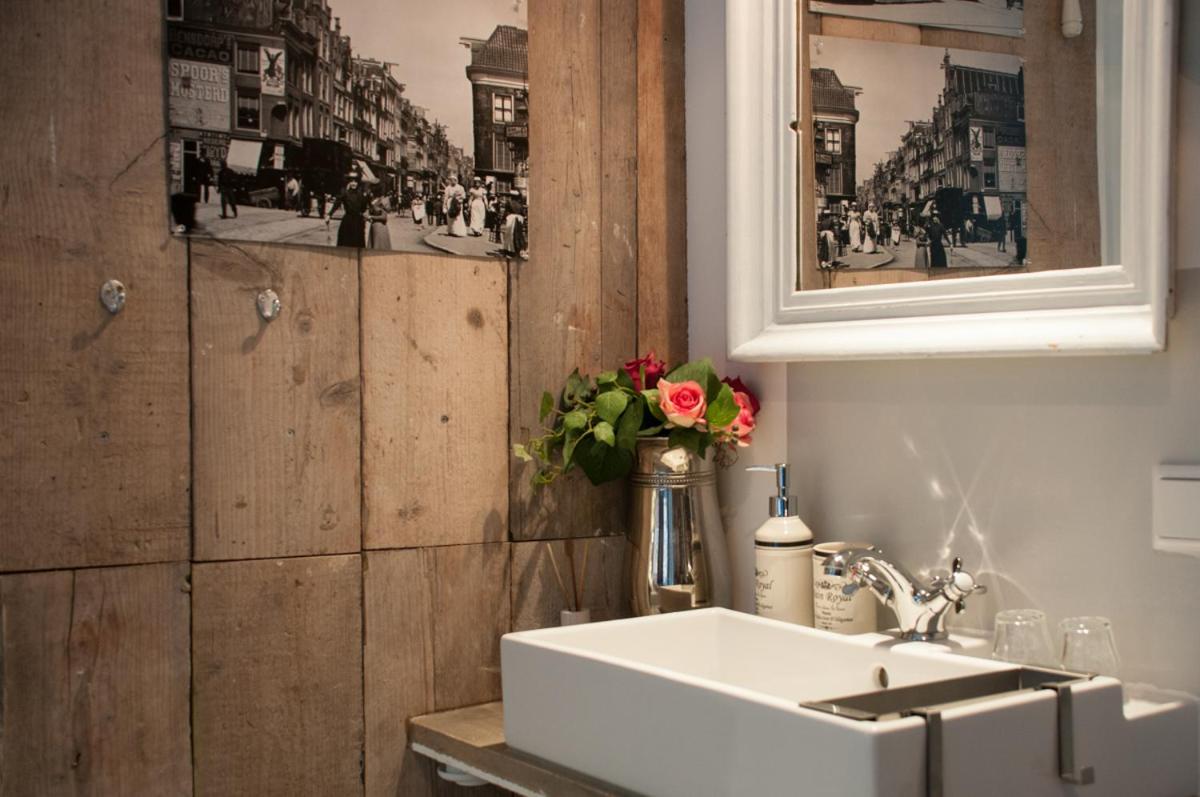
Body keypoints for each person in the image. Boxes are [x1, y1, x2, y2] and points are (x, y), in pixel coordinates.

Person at [326, 171, 369, 248]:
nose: (353, 183)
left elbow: (363, 208)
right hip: (347, 221)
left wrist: (366, 197)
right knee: (345, 243)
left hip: (358, 222)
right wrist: (329, 214)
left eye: (355, 181)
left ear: (358, 182)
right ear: (349, 182)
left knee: (357, 244)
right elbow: (337, 203)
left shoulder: (361, 193)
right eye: (351, 181)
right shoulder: (344, 192)